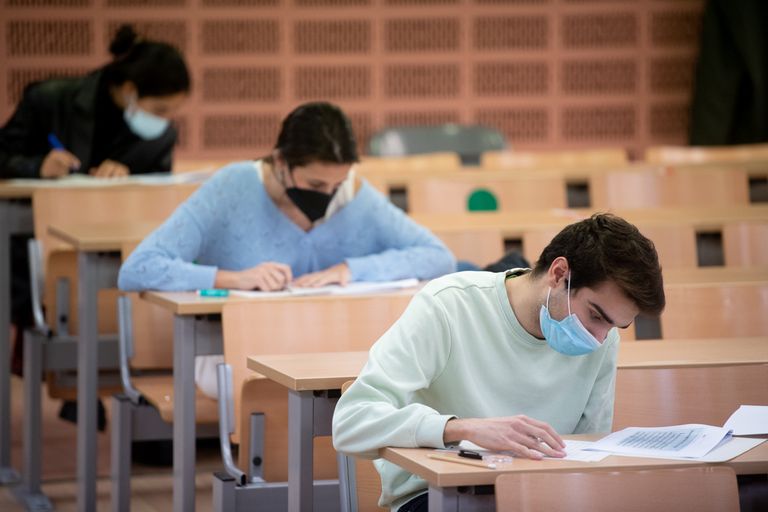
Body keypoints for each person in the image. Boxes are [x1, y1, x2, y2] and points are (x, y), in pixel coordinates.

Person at [118, 101, 457, 398]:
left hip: (331, 357)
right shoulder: (232, 187)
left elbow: (438, 257)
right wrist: (232, 278)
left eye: (337, 184)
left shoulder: (353, 195)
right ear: (281, 161)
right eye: (315, 184)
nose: (328, 195)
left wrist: (350, 270)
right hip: (240, 356)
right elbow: (138, 268)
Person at [332, 213, 666, 511]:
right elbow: (351, 422)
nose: (598, 338)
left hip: (541, 495)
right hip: (440, 495)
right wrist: (461, 428)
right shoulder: (449, 305)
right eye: (595, 315)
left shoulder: (602, 342)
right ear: (559, 273)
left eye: (614, 326)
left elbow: (588, 452)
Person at [0, 24, 189, 179]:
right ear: (129, 90)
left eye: (173, 111)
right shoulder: (49, 100)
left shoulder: (161, 137)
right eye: (160, 109)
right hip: (36, 211)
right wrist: (37, 167)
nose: (165, 120)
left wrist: (127, 178)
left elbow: (156, 189)